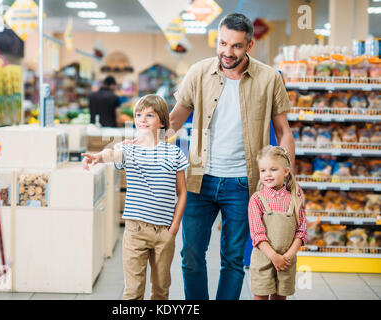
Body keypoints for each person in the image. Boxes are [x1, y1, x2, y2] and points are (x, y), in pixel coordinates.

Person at [169, 13, 296, 300]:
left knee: (233, 259)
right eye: (223, 43)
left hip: (243, 183)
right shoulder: (199, 72)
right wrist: (141, 145)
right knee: (190, 255)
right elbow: (175, 120)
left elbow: (283, 131)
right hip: (199, 179)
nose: (228, 52)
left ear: (249, 45)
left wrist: (289, 179)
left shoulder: (269, 78)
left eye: (236, 46)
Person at [81, 94, 189, 300]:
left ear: (163, 121)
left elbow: (182, 192)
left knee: (161, 290)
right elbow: (111, 155)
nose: (142, 119)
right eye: (139, 115)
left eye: (149, 115)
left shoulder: (175, 153)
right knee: (133, 291)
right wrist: (98, 157)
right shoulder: (129, 149)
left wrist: (174, 228)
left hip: (164, 232)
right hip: (135, 231)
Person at [248, 145, 307, 300]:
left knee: (280, 297)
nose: (267, 174)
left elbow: (301, 231)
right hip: (263, 259)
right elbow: (257, 234)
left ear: (286, 171)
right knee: (260, 295)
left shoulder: (295, 199)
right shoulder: (256, 199)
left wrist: (289, 255)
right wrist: (274, 256)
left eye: (273, 169)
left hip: (286, 261)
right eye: (263, 170)